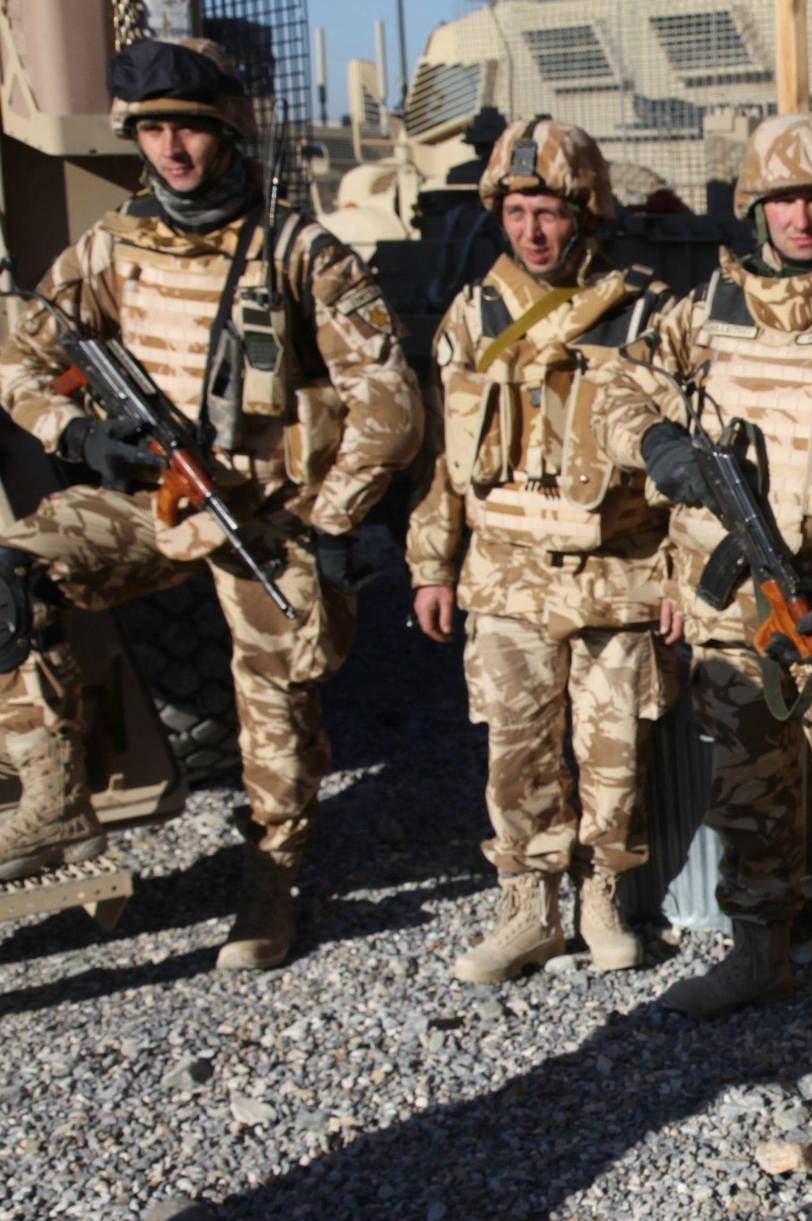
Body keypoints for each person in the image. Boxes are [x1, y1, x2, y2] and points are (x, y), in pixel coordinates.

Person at [0, 37, 421, 969]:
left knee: (278, 695)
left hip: (269, 513)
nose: (171, 148)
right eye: (152, 130)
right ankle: (54, 795)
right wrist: (76, 436)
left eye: (188, 127)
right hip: (154, 500)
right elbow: (20, 353)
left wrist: (333, 516)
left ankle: (273, 877)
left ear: (226, 130)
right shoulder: (112, 244)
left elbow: (390, 406)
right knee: (9, 574)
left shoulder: (299, 252)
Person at [593, 113, 812, 1074]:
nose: (802, 218)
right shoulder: (703, 312)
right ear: (755, 208)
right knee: (747, 790)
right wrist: (658, 445)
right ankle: (761, 951)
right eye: (784, 199)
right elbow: (617, 390)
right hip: (729, 613)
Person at [407, 118, 678, 983]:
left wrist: (682, 575)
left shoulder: (646, 312)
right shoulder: (473, 312)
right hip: (506, 579)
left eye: (550, 213)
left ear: (586, 214)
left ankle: (603, 897)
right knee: (516, 751)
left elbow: (688, 456)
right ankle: (528, 906)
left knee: (614, 753)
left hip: (616, 575)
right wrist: (431, 564)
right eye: (517, 212)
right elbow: (441, 455)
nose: (531, 230)